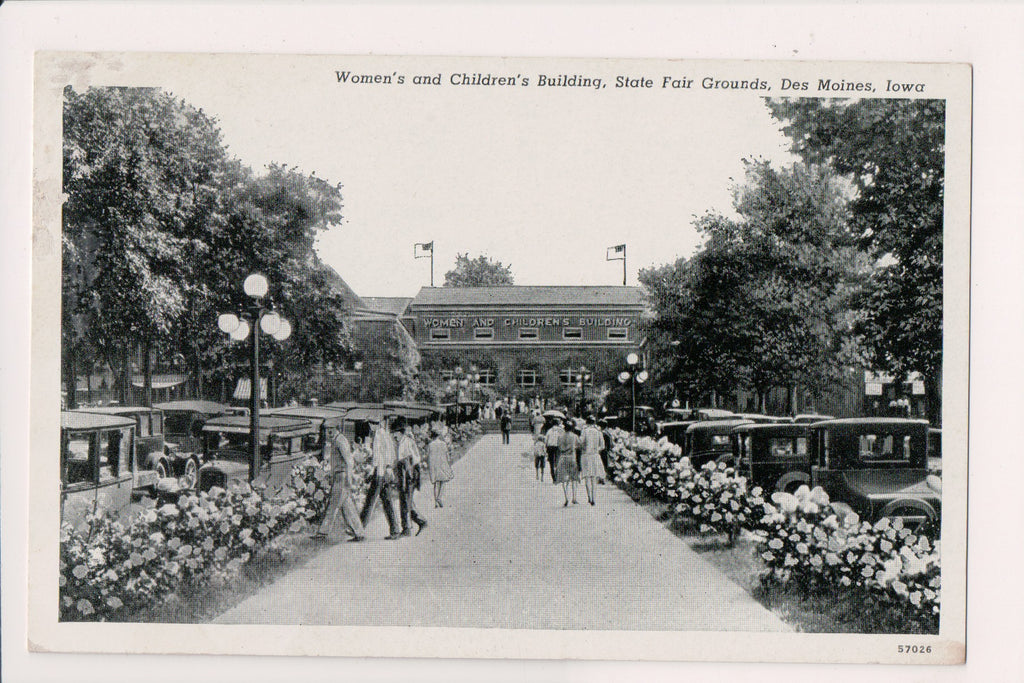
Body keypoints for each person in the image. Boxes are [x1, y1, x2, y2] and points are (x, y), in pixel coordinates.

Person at [312, 428, 365, 542]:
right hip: (339, 476)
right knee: (347, 506)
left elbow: (349, 461)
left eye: (328, 431)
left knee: (333, 505)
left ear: (333, 430)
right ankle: (359, 533)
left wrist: (349, 478)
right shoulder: (336, 440)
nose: (326, 434)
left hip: (342, 477)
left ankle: (322, 533)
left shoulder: (340, 440)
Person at [359, 417, 401, 540]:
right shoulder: (382, 434)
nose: (370, 427)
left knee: (370, 501)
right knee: (387, 501)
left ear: (374, 424)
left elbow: (385, 454)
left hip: (380, 473)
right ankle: (395, 530)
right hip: (381, 472)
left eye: (371, 424)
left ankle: (359, 529)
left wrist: (383, 467)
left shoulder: (380, 435)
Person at [395, 417, 427, 536]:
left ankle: (407, 528)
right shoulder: (400, 442)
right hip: (402, 473)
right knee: (405, 500)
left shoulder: (408, 441)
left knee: (405, 500)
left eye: (396, 433)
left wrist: (407, 462)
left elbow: (416, 458)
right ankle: (420, 521)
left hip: (409, 474)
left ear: (400, 432)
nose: (394, 436)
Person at [579, 416, 607, 505]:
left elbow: (580, 442)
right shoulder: (598, 432)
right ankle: (594, 498)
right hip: (595, 455)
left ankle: (589, 497)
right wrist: (597, 449)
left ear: (587, 422)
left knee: (587, 477)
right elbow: (602, 446)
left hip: (586, 455)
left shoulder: (584, 431)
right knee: (594, 477)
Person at [427, 425, 454, 506]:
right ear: (438, 436)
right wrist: (448, 462)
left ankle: (436, 501)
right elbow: (447, 455)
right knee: (443, 482)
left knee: (436, 483)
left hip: (434, 464)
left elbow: (428, 455)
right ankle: (439, 497)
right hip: (442, 464)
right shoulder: (443, 444)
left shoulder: (430, 444)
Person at [555, 420, 581, 505]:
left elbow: (558, 448)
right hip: (572, 457)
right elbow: (579, 448)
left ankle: (566, 497)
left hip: (563, 458)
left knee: (564, 479)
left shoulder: (560, 437)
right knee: (574, 479)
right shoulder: (575, 436)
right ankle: (574, 497)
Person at [544, 419, 565, 484]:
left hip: (550, 448)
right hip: (558, 447)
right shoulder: (561, 430)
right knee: (558, 462)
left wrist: (546, 447)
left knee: (551, 463)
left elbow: (546, 440)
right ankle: (558, 475)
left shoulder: (549, 431)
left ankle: (554, 478)